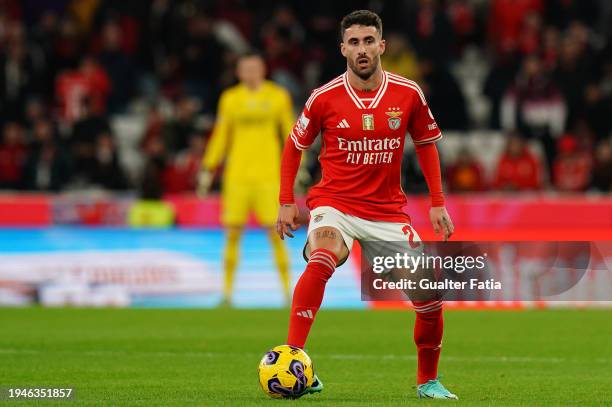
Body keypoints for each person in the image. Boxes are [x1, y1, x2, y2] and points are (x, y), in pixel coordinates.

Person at [277, 10, 457, 399]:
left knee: (428, 294)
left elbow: (426, 144)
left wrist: (438, 203)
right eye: (354, 42)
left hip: (387, 213)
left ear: (382, 46)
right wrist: (286, 201)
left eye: (369, 41)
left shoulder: (408, 93)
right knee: (324, 252)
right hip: (334, 203)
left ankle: (428, 381)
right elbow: (295, 146)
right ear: (342, 48)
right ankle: (294, 361)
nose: (362, 50)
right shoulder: (323, 97)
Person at [199, 52, 295, 306]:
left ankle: (288, 293)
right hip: (237, 176)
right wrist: (209, 167)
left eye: (255, 68)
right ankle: (227, 294)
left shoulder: (278, 96)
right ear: (239, 72)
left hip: (269, 175)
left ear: (263, 69)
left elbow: (290, 133)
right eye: (246, 69)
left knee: (278, 234)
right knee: (232, 234)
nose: (251, 73)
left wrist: (300, 165)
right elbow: (221, 135)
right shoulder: (230, 98)